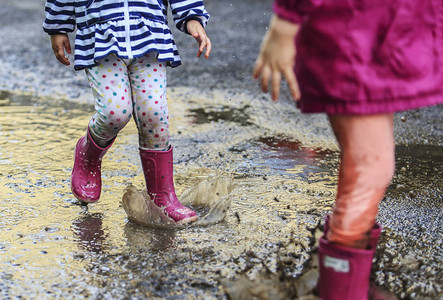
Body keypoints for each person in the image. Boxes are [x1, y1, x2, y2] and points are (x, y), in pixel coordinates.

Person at [253, 0, 443, 299]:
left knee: (367, 165)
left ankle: (346, 279)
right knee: (371, 168)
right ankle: (341, 288)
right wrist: (285, 24)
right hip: (352, 42)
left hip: (378, 38)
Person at [43, 0, 211, 225]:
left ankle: (162, 197)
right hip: (101, 36)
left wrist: (191, 17)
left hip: (149, 36)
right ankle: (88, 155)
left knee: (154, 114)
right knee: (115, 113)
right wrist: (58, 26)